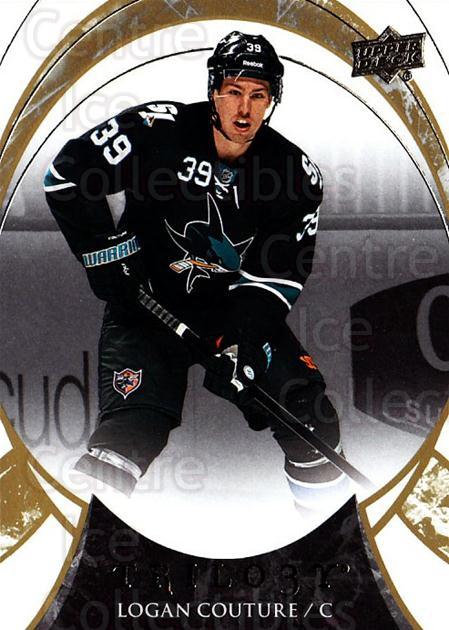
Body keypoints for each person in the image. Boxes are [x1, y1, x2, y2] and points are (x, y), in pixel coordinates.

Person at [44, 31, 349, 509]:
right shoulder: (155, 130)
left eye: (258, 95)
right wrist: (104, 252)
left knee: (309, 420)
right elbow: (67, 174)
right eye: (233, 91)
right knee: (128, 434)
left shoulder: (294, 173)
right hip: (146, 306)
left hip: (230, 313)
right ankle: (92, 543)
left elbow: (279, 274)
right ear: (213, 90)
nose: (244, 109)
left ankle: (331, 540)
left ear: (273, 99)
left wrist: (243, 341)